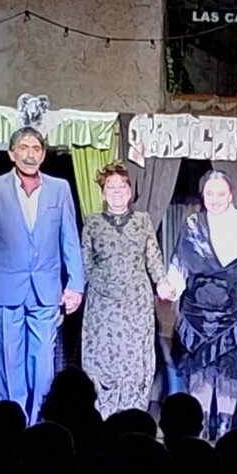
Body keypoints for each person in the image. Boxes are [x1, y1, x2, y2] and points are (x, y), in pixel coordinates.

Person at [0, 127, 85, 424]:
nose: (30, 154)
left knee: (43, 363)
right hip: (4, 289)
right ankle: (10, 422)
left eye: (36, 148)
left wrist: (76, 285)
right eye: (24, 148)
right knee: (7, 360)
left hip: (46, 289)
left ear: (43, 155)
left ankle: (40, 422)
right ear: (12, 153)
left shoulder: (59, 188)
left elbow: (70, 238)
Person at [165, 170, 237, 440]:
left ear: (231, 196)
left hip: (233, 314)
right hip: (197, 314)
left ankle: (225, 435)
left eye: (220, 193)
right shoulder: (192, 225)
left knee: (229, 375)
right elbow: (180, 262)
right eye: (209, 193)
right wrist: (171, 286)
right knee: (201, 374)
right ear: (202, 195)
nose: (215, 199)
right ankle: (202, 433)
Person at [80, 162, 170, 417]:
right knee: (102, 360)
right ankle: (103, 418)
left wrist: (162, 282)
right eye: (111, 186)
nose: (117, 191)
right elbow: (84, 263)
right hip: (102, 305)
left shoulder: (142, 221)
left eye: (122, 186)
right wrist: (73, 294)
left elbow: (153, 257)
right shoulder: (92, 223)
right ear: (103, 192)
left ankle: (133, 419)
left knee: (135, 362)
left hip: (136, 303)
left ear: (130, 192)